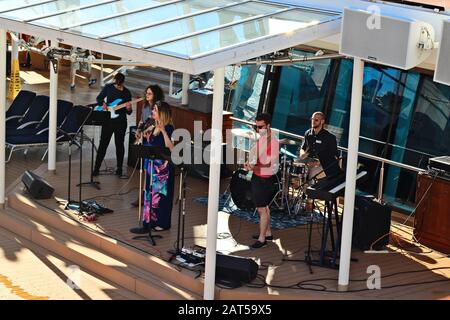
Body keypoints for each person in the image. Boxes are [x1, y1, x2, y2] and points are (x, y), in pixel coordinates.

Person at [131, 101, 175, 233]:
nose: (152, 112)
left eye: (155, 110)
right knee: (149, 194)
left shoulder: (168, 128)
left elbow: (171, 148)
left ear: (162, 113)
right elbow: (148, 145)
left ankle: (162, 223)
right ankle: (148, 222)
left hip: (163, 170)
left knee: (161, 197)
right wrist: (142, 136)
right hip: (151, 166)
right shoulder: (151, 126)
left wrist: (163, 132)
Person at [244, 113, 279, 249]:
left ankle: (262, 238)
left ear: (268, 125)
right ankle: (268, 233)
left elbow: (269, 164)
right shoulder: (262, 138)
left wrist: (253, 166)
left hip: (264, 179)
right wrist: (251, 164)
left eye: (261, 127)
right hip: (258, 176)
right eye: (256, 127)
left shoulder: (273, 142)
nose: (258, 130)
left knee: (261, 209)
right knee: (265, 208)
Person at [131, 84, 165, 207]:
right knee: (145, 169)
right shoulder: (145, 106)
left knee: (153, 170)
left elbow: (158, 123)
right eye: (146, 93)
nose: (147, 95)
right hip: (145, 140)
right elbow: (141, 121)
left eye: (150, 93)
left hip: (155, 140)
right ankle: (144, 195)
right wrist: (139, 131)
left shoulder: (159, 107)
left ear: (155, 94)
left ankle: (150, 196)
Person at [92, 73, 132, 177]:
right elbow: (99, 98)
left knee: (120, 145)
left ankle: (119, 168)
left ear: (123, 82)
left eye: (119, 84)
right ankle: (96, 168)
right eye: (116, 83)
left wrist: (128, 108)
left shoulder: (127, 93)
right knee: (103, 145)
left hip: (121, 122)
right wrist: (103, 104)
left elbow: (129, 112)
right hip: (108, 121)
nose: (117, 85)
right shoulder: (108, 87)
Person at [299, 111, 341, 179]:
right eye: (312, 119)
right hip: (309, 162)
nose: (313, 121)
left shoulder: (329, 137)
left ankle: (309, 188)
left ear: (322, 121)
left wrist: (319, 163)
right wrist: (302, 154)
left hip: (323, 166)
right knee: (294, 167)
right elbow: (303, 148)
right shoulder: (307, 133)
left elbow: (335, 157)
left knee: (311, 173)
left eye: (316, 120)